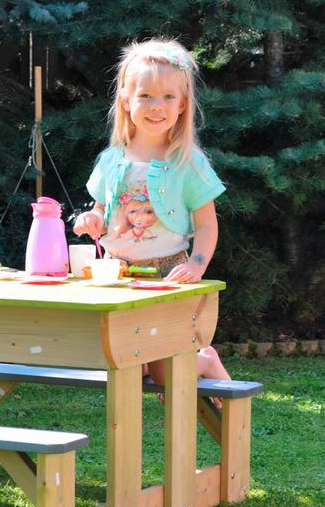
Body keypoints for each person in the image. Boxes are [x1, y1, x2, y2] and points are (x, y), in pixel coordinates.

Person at [73, 38, 232, 392]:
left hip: (167, 276)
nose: (156, 106)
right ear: (126, 101)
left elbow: (207, 223)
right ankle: (177, 368)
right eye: (145, 95)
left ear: (182, 106)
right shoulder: (113, 158)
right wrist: (92, 219)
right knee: (121, 360)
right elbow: (102, 207)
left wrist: (197, 264)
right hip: (116, 275)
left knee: (162, 373)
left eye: (168, 97)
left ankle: (204, 360)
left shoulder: (187, 163)